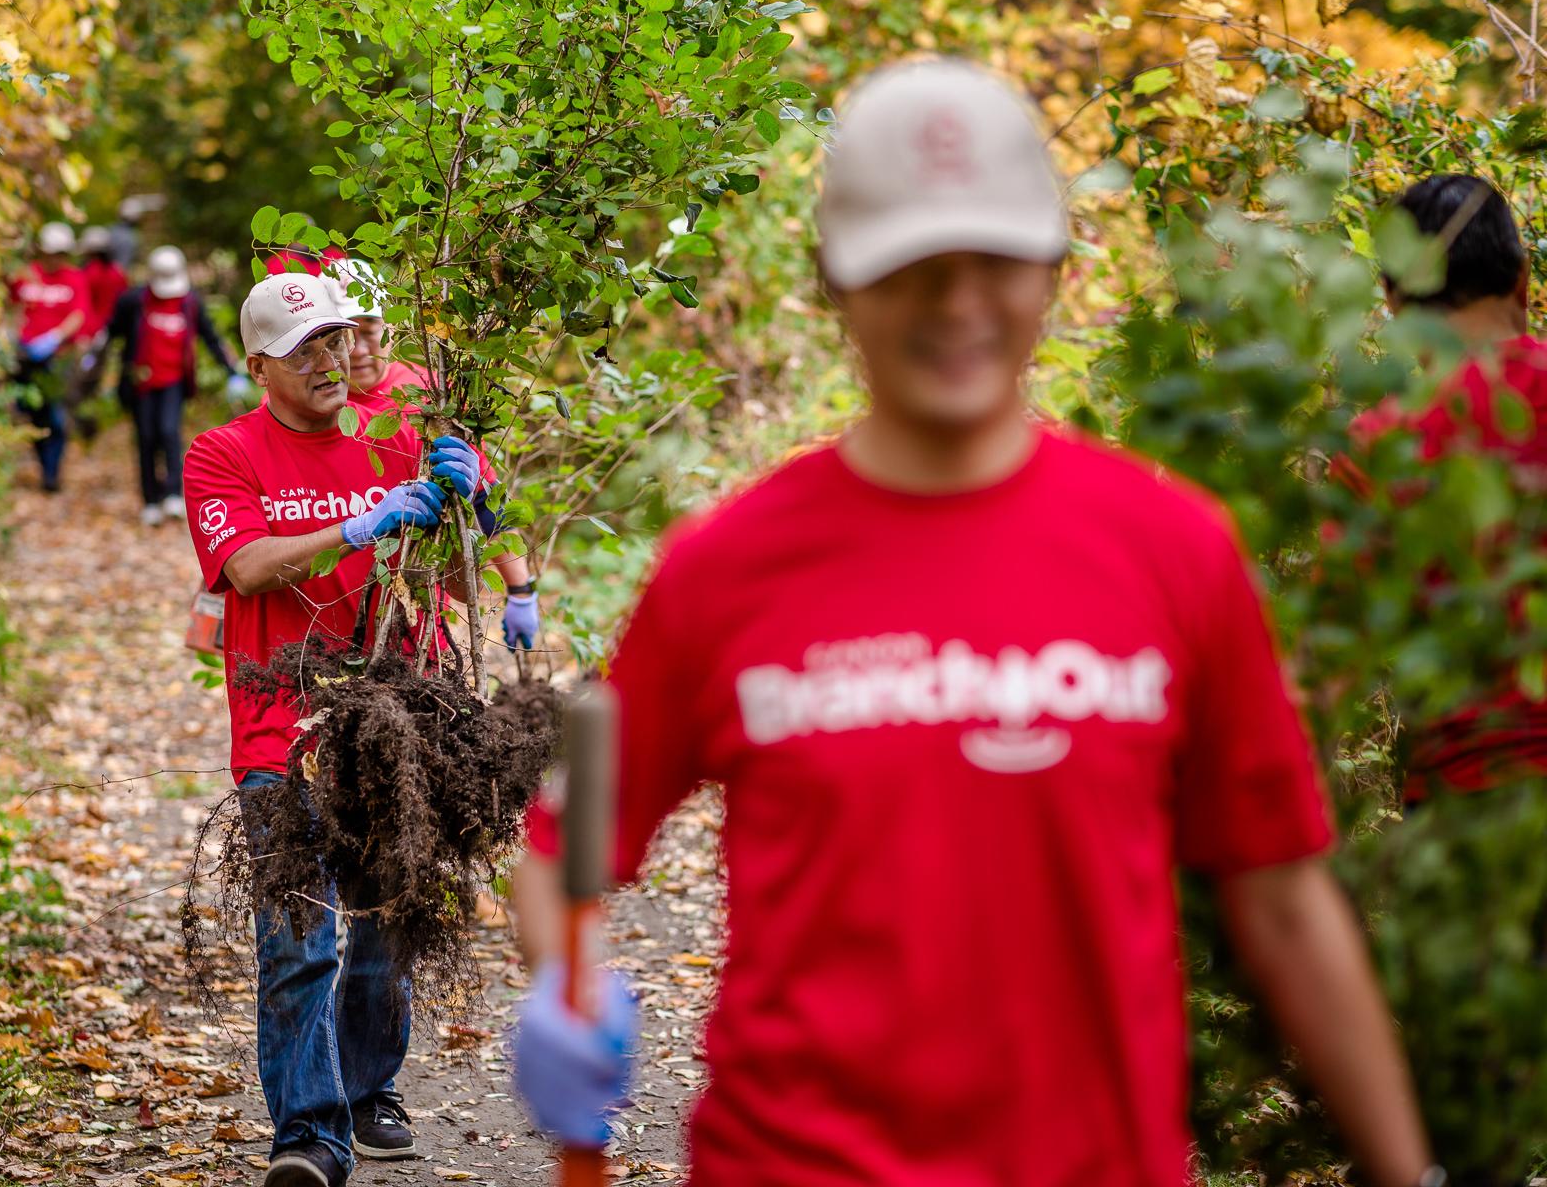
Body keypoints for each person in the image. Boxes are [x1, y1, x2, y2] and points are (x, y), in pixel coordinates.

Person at [507, 60, 1436, 1185]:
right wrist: (571, 987)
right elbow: (566, 854)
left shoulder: (1172, 547)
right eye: (910, 269)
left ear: (1051, 270)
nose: (956, 305)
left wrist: (1406, 1167)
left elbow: (1283, 894)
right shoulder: (725, 569)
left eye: (992, 262)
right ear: (834, 282)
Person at [183, 272, 496, 1187]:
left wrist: (466, 506)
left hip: (394, 720)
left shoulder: (397, 439)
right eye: (301, 350)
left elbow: (463, 588)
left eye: (333, 341)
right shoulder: (222, 452)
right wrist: (361, 526)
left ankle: (368, 1090)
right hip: (281, 725)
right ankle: (310, 1138)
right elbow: (243, 568)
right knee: (298, 938)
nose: (326, 362)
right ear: (257, 366)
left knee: (387, 925)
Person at [1338, 174, 1547, 797]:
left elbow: (1339, 650)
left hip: (1461, 802)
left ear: (1394, 302)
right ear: (1522, 280)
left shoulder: (1379, 443)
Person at [336, 263, 542, 652]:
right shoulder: (305, 404)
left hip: (418, 622)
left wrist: (521, 591)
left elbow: (487, 501)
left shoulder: (428, 393)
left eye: (368, 332)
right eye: (343, 337)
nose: (359, 350)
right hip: (324, 609)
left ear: (390, 329)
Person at [109, 246, 248, 526]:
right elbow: (112, 332)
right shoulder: (134, 300)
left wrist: (232, 371)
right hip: (141, 382)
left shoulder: (189, 303)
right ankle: (150, 500)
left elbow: (211, 338)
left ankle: (173, 493)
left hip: (174, 381)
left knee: (169, 432)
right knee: (146, 438)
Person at [8, 221, 91, 492]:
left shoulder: (74, 278)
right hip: (26, 357)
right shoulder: (26, 275)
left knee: (55, 417)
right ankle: (44, 464)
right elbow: (10, 306)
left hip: (57, 358)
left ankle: (52, 472)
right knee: (34, 416)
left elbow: (78, 315)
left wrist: (55, 337)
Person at [70, 225, 131, 441]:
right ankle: (92, 424)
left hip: (91, 335)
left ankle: (86, 428)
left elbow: (84, 306)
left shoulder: (87, 274)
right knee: (97, 381)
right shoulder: (118, 273)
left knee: (81, 384)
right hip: (110, 335)